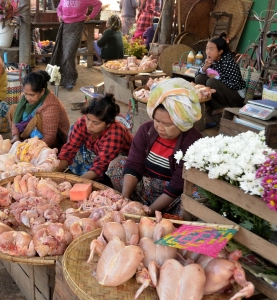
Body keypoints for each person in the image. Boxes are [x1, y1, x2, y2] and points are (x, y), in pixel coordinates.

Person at [106, 78, 203, 216]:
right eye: (157, 121)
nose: (160, 128)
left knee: (196, 197)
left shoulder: (193, 142)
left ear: (182, 123)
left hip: (172, 197)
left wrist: (148, 213)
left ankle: (164, 217)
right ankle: (133, 204)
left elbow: (177, 185)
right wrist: (125, 200)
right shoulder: (146, 130)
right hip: (146, 187)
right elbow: (134, 164)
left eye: (167, 124)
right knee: (117, 165)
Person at [56, 94, 133, 184]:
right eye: (88, 119)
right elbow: (69, 150)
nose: (89, 125)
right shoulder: (82, 122)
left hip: (118, 160)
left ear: (108, 124)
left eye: (95, 123)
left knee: (113, 168)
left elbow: (100, 165)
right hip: (96, 153)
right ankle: (83, 174)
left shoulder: (115, 132)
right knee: (74, 130)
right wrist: (53, 172)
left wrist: (76, 183)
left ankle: (105, 181)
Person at [8, 71, 70, 149]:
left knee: (37, 118)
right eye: (25, 93)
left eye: (32, 95)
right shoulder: (24, 97)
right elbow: (16, 117)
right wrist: (16, 136)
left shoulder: (51, 105)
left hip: (56, 139)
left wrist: (32, 148)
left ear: (42, 91)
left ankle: (31, 142)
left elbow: (50, 138)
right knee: (14, 109)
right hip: (34, 133)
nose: (27, 97)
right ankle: (23, 139)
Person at [50, 0, 102, 90]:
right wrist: (59, 15)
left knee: (69, 54)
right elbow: (59, 8)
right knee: (62, 53)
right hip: (64, 27)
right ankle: (62, 78)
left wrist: (91, 16)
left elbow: (98, 4)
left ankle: (71, 80)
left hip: (77, 26)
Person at [195, 32, 245, 118]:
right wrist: (205, 68)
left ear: (220, 51)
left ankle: (222, 109)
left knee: (212, 82)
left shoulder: (229, 62)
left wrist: (218, 78)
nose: (208, 52)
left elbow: (236, 85)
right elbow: (197, 75)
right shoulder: (211, 60)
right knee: (200, 78)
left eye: (211, 49)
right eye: (207, 48)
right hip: (224, 92)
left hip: (236, 97)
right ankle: (210, 107)